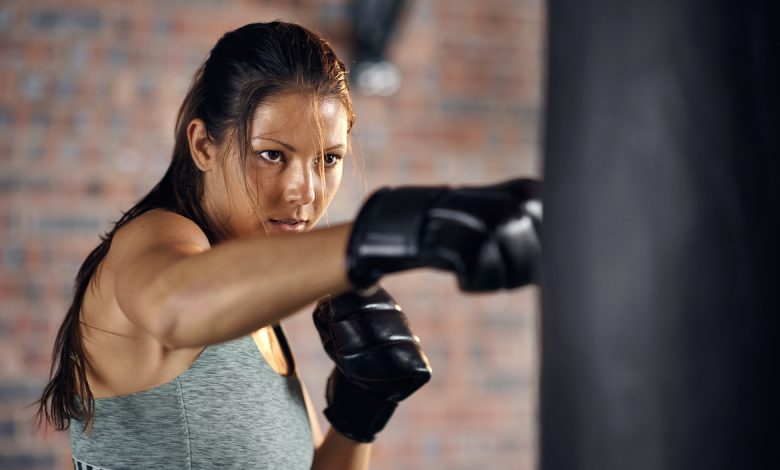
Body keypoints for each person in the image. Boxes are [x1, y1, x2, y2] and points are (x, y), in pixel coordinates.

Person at [35, 21, 542, 469]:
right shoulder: (156, 240)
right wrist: (393, 230)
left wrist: (357, 418)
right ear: (203, 145)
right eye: (272, 154)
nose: (306, 191)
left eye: (329, 159)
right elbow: (174, 304)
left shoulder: (255, 304)